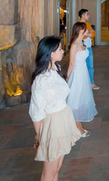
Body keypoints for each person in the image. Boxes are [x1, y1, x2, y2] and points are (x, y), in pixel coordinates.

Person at [29, 36, 82, 181]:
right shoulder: (41, 80)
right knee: (49, 172)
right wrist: (40, 135)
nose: (63, 51)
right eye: (59, 49)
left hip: (63, 118)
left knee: (57, 166)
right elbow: (36, 112)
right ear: (51, 53)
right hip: (53, 123)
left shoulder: (55, 68)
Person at [67, 22, 98, 137]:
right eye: (85, 30)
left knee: (81, 100)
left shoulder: (82, 42)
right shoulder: (74, 45)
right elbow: (71, 63)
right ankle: (76, 129)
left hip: (83, 73)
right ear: (80, 31)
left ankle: (79, 126)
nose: (87, 31)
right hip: (77, 75)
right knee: (76, 101)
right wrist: (68, 78)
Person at [78, 9, 99, 90]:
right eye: (87, 14)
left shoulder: (88, 24)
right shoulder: (78, 25)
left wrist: (87, 34)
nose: (88, 16)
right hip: (81, 48)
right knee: (82, 66)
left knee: (90, 66)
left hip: (89, 47)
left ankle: (91, 82)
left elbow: (94, 33)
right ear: (83, 15)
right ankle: (83, 83)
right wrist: (88, 34)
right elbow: (80, 36)